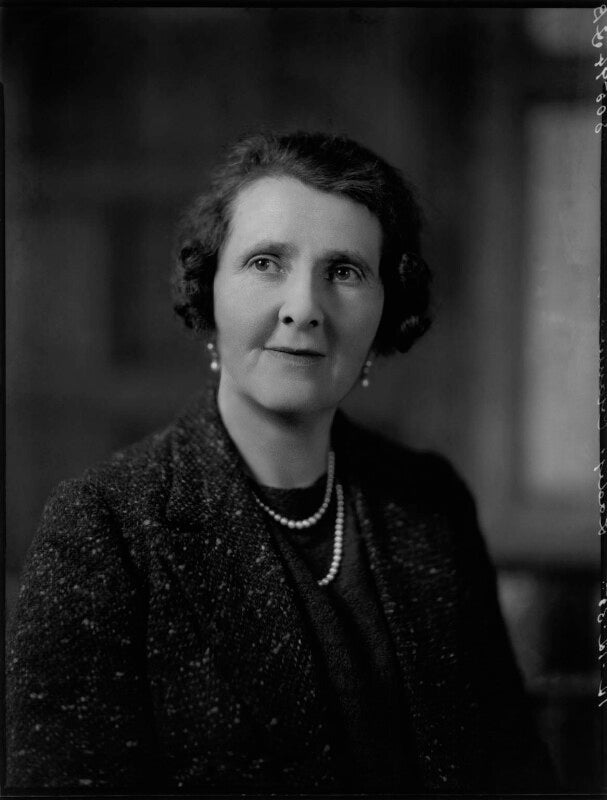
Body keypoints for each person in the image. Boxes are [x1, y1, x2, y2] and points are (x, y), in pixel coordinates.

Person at [7, 131, 556, 793]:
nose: (304, 309)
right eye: (266, 262)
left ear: (386, 310)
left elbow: (514, 771)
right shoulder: (106, 527)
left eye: (344, 272)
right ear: (209, 290)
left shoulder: (430, 501)